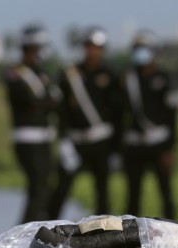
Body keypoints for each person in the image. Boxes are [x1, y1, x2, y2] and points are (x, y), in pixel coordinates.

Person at [48, 26, 122, 219]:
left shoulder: (110, 75)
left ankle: (103, 236)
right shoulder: (70, 75)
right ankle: (48, 228)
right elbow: (61, 111)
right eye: (89, 46)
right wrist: (63, 140)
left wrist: (116, 148)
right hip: (75, 142)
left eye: (97, 47)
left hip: (101, 142)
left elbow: (118, 114)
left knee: (102, 191)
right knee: (62, 188)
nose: (93, 51)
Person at [121, 30, 178, 220]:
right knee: (133, 195)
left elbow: (173, 115)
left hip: (159, 143)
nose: (141, 53)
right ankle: (129, 239)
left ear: (155, 52)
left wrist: (169, 148)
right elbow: (118, 114)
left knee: (165, 191)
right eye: (138, 49)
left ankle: (173, 236)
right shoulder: (126, 79)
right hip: (134, 145)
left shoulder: (165, 78)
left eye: (145, 49)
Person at [4, 24, 59, 223]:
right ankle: (23, 233)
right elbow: (29, 103)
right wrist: (47, 104)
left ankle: (40, 229)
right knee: (37, 187)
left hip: (45, 138)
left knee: (46, 187)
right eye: (39, 48)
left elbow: (52, 102)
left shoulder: (42, 74)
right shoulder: (16, 74)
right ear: (29, 48)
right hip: (27, 139)